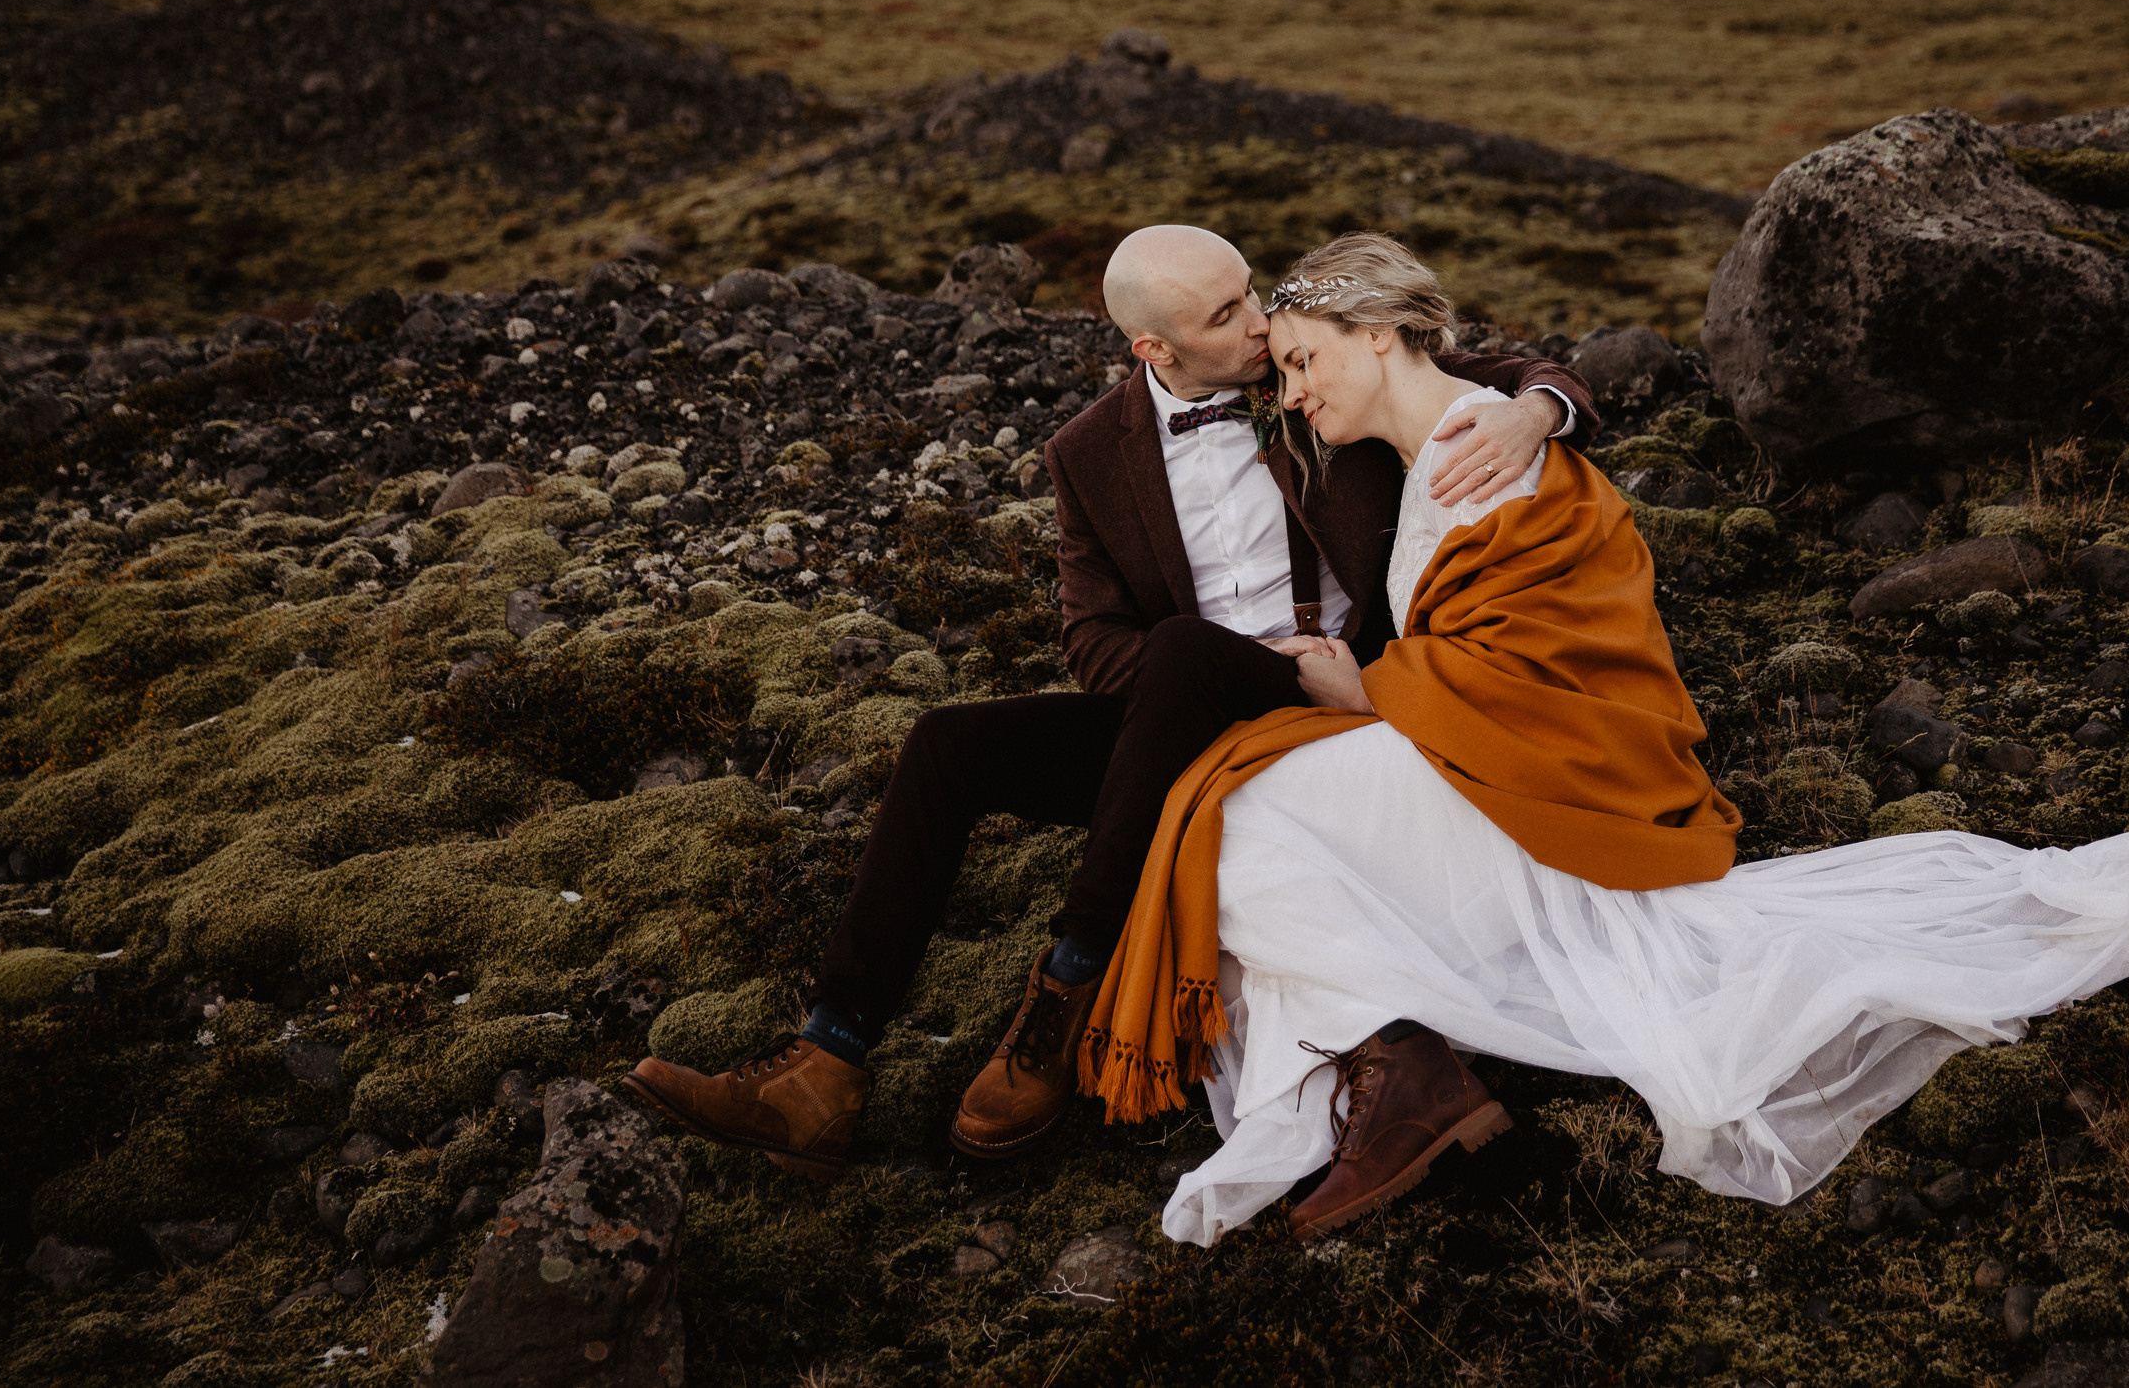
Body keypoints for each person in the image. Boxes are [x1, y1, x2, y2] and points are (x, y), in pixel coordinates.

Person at [1078, 232, 2129, 1247]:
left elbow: (1540, 664)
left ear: (1374, 335)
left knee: (1242, 824)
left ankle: (1379, 1065)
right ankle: (1388, 1062)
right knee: (1241, 812)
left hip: (1538, 776)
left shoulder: (1485, 449)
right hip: (1475, 748)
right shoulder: (1439, 445)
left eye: (1300, 361)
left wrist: (1368, 692)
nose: (1288, 391)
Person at [616, 225, 1597, 1178]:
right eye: (1225, 314)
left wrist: (1536, 413)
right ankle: (824, 1065)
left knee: (1177, 651)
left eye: (1249, 291)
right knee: (947, 743)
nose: (1259, 324)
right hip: (1184, 703)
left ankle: (1064, 992)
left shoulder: (1311, 373)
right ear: (1153, 349)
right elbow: (1091, 640)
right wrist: (1192, 682)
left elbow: (1489, 370)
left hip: (1333, 692)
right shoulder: (1087, 452)